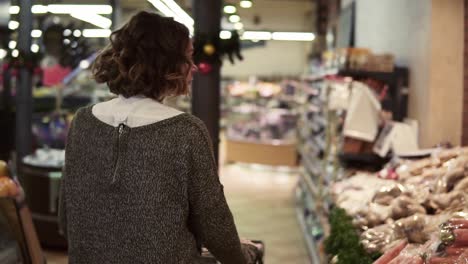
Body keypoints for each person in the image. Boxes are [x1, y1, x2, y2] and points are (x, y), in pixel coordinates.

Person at [58, 11, 261, 264]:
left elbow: (66, 218)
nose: (194, 66)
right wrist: (243, 256)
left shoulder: (83, 120)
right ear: (167, 65)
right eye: (188, 57)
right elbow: (214, 223)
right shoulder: (186, 130)